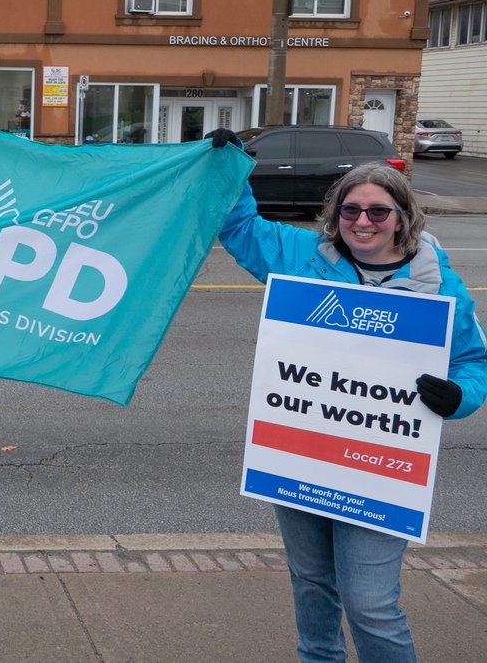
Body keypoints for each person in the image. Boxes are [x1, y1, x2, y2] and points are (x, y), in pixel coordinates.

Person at [209, 129, 487, 663]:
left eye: (379, 212)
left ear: (403, 217)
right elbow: (239, 226)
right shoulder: (300, 257)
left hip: (380, 466)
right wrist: (233, 166)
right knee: (312, 584)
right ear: (334, 215)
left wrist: (459, 397)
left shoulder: (439, 286)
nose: (362, 222)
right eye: (350, 211)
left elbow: (473, 363)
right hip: (302, 454)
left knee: (371, 605)